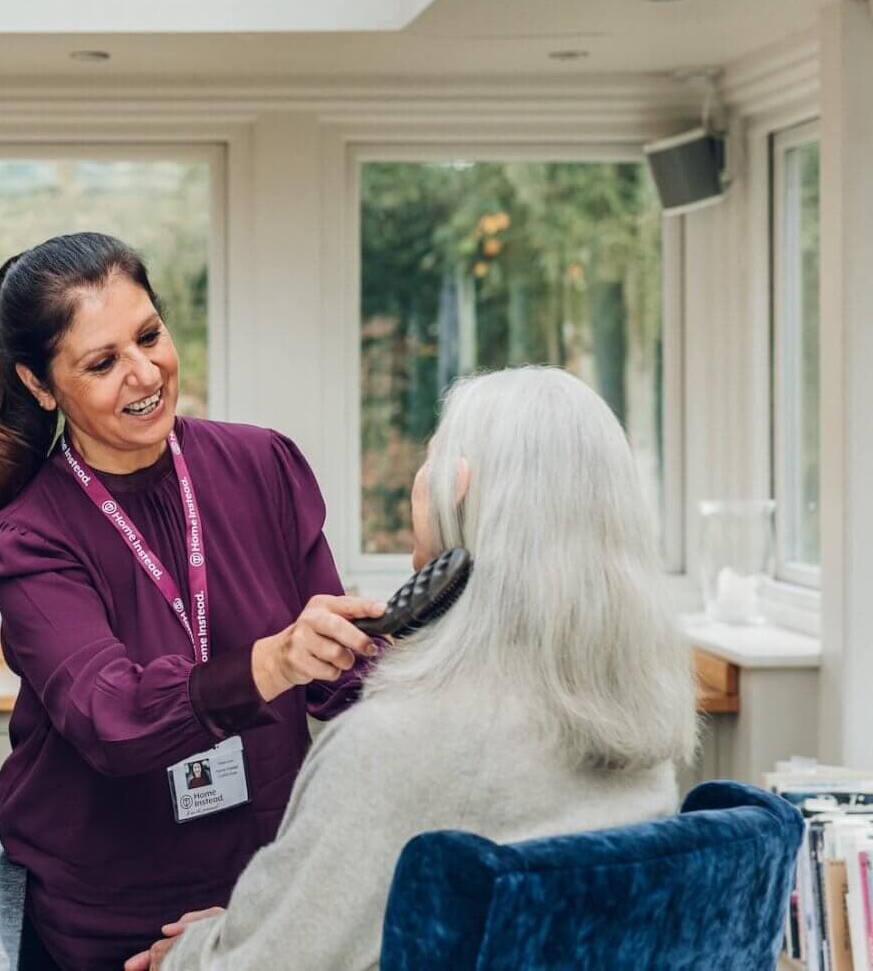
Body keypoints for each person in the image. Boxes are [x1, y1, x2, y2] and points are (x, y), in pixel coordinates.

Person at [127, 366, 698, 971]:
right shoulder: (640, 735)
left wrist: (189, 952)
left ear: (458, 487)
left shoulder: (390, 747)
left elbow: (267, 964)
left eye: (430, 458)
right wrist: (250, 926)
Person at [0, 232, 385, 971]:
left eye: (149, 336)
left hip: (260, 901)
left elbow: (341, 678)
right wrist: (274, 661)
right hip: (108, 921)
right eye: (102, 363)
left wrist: (411, 649)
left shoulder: (262, 465)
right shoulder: (31, 537)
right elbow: (110, 717)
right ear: (40, 385)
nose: (145, 373)